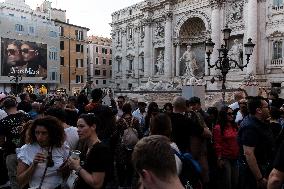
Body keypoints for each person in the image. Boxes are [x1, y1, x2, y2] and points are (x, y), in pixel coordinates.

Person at [17, 116, 69, 189]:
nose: (39, 137)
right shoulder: (26, 149)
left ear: (52, 133)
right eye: (37, 133)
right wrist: (33, 165)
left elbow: (65, 174)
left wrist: (66, 168)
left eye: (44, 133)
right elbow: (20, 181)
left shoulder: (61, 147)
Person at [238, 96, 274, 189]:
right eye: (267, 107)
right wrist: (260, 178)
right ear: (259, 110)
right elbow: (249, 153)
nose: (269, 108)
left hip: (265, 167)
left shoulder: (261, 122)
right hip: (254, 173)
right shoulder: (249, 127)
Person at [68, 113, 112, 189]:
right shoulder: (86, 146)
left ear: (93, 127)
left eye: (82, 126)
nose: (78, 130)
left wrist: (77, 167)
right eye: (77, 126)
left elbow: (97, 184)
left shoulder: (101, 150)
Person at [0, 98, 31, 189]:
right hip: (27, 151)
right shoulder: (26, 117)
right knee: (27, 177)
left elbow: (1, 141)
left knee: (14, 178)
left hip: (11, 152)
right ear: (16, 105)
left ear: (5, 108)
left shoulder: (3, 122)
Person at [114, 103, 143, 188]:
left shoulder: (120, 121)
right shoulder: (135, 120)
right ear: (131, 110)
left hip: (122, 146)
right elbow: (140, 133)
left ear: (123, 110)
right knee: (131, 165)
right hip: (133, 146)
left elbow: (117, 134)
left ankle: (121, 184)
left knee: (121, 165)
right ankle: (129, 184)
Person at [213, 106, 239, 189]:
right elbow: (217, 144)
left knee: (235, 182)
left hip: (235, 158)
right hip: (225, 158)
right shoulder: (218, 127)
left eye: (233, 113)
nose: (232, 115)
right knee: (227, 183)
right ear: (224, 115)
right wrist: (219, 158)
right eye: (229, 114)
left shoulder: (234, 126)